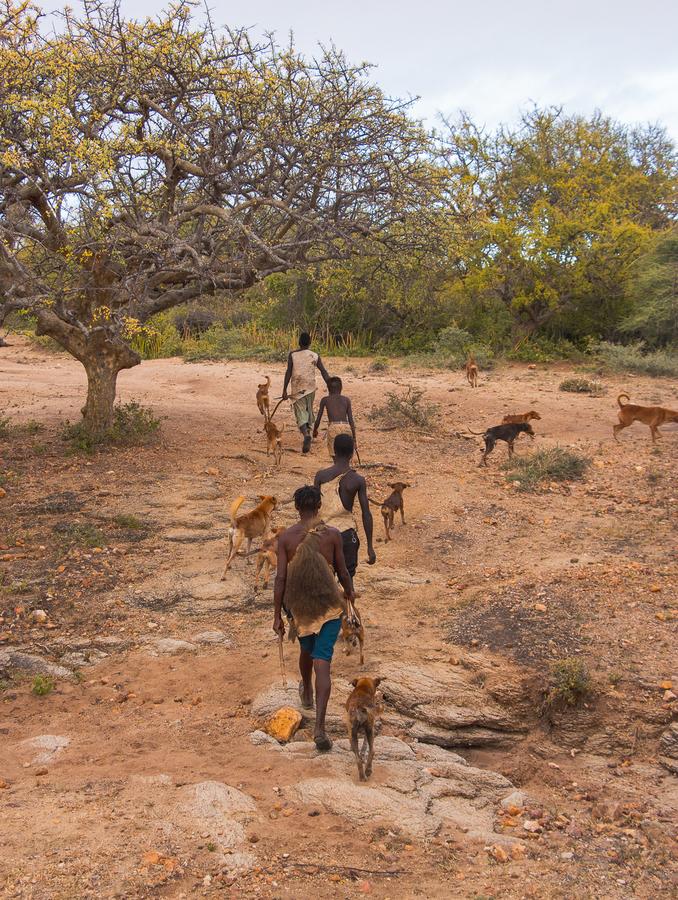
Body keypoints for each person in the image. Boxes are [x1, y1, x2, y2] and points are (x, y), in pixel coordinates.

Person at [273, 485, 354, 751]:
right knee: (323, 662)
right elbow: (342, 572)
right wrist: (350, 594)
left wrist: (277, 616)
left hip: (301, 610)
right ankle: (319, 727)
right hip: (329, 608)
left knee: (308, 651)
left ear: (296, 508)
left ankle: (306, 689)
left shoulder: (286, 539)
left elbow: (281, 579)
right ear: (319, 507)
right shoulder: (332, 535)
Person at [314, 433, 376, 584]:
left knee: (322, 583)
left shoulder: (321, 476)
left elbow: (312, 508)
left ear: (333, 451)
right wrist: (370, 546)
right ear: (352, 452)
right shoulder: (357, 480)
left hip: (322, 535)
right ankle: (348, 607)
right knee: (347, 582)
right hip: (346, 537)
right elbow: (366, 514)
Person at [282, 333, 329, 453]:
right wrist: (331, 386)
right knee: (307, 411)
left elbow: (288, 372)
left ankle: (306, 435)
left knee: (300, 411)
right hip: (310, 387)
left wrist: (284, 390)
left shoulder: (292, 355)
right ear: (310, 343)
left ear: (299, 343)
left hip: (297, 387)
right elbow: (323, 371)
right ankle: (308, 434)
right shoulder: (314, 355)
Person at [312, 376, 357, 460]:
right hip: (345, 427)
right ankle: (346, 471)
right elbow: (351, 420)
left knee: (335, 455)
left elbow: (318, 420)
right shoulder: (346, 400)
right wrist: (354, 439)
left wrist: (314, 431)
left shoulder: (325, 400)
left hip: (333, 428)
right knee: (346, 454)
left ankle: (337, 471)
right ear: (341, 388)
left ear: (328, 389)